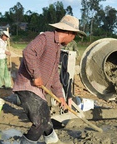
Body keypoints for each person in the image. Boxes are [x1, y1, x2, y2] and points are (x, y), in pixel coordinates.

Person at [13, 15, 86, 144]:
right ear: (70, 33)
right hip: (27, 85)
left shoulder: (57, 47)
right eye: (74, 35)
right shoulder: (46, 38)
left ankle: (53, 141)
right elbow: (28, 52)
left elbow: (54, 77)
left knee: (46, 117)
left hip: (37, 90)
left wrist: (60, 96)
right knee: (40, 122)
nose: (73, 39)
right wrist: (36, 76)